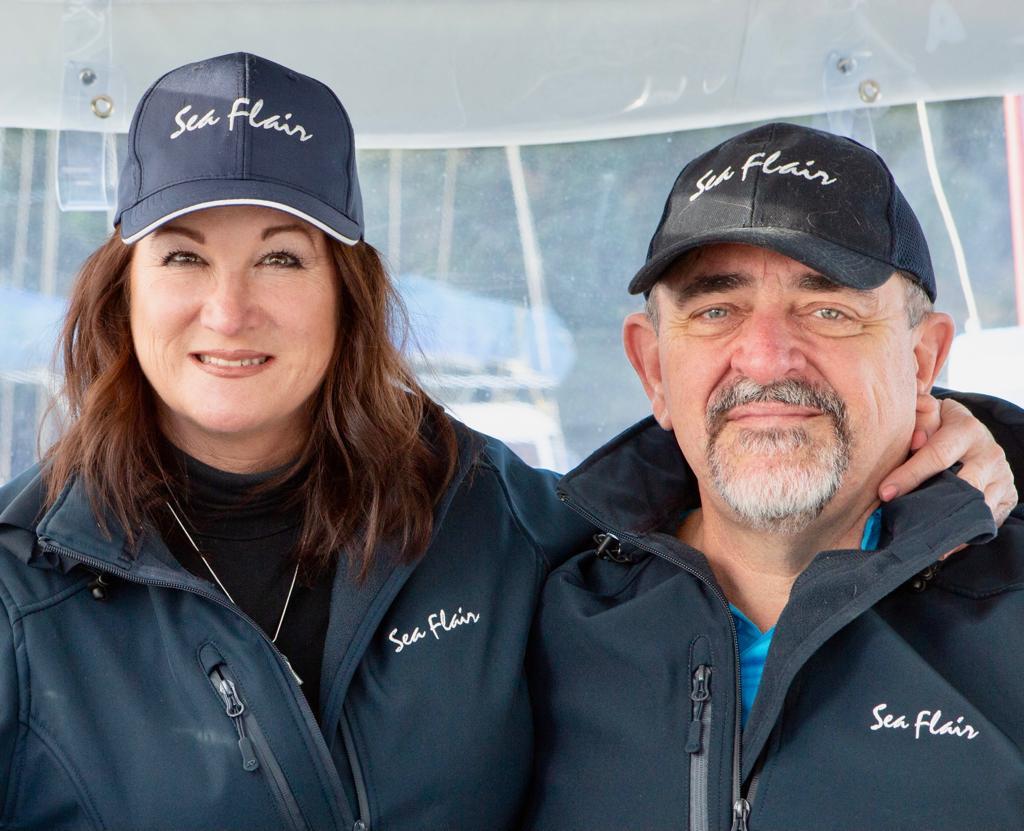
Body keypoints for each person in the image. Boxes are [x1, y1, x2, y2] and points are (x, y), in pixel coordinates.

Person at [0, 55, 1016, 830]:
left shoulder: (493, 516)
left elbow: (746, 456)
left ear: (347, 294)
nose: (229, 310)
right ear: (121, 292)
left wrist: (979, 438)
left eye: (281, 257)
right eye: (182, 256)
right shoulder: (19, 586)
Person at [525, 122, 1024, 831]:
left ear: (923, 360)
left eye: (828, 310)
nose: (764, 357)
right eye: (716, 311)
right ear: (653, 368)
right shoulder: (533, 624)